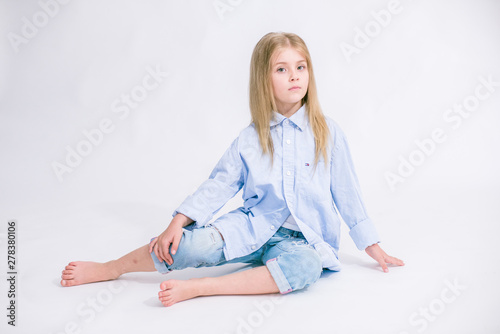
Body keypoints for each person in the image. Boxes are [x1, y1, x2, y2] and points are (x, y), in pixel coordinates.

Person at [60, 32, 404, 307]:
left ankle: (203, 288)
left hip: (304, 241)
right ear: (264, 79)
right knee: (185, 247)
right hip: (253, 227)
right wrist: (177, 223)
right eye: (281, 69)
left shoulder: (327, 132)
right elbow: (219, 184)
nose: (294, 76)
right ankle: (110, 268)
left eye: (301, 67)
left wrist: (369, 243)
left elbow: (347, 191)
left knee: (306, 269)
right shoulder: (251, 138)